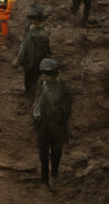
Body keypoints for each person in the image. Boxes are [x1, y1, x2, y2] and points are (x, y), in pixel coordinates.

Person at [32, 58, 73, 188]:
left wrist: (61, 118)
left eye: (48, 74)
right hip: (43, 125)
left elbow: (67, 107)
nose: (45, 76)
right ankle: (44, 178)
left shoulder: (61, 88)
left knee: (56, 151)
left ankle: (54, 173)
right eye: (44, 73)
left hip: (57, 125)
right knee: (43, 153)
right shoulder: (41, 84)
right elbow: (36, 102)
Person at [16, 4, 53, 98]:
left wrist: (21, 59)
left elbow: (23, 49)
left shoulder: (31, 35)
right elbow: (47, 48)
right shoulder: (44, 34)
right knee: (36, 77)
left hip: (29, 62)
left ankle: (29, 93)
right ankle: (34, 92)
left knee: (28, 79)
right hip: (39, 61)